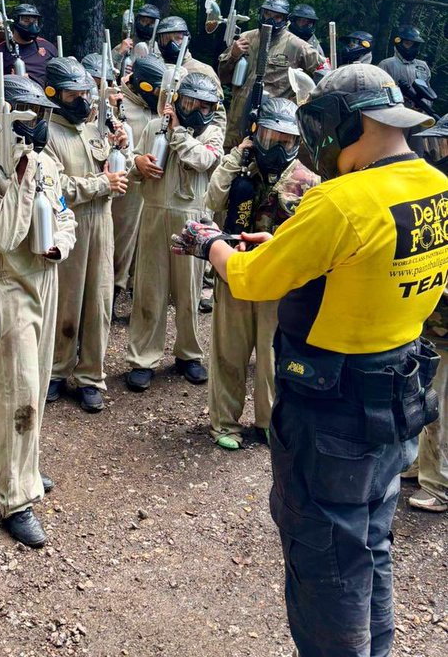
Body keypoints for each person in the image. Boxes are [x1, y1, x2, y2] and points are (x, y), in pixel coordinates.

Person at [174, 64, 446, 657]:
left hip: (333, 410)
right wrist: (285, 247)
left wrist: (208, 243)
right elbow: (363, 259)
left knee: (325, 559)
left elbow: (248, 281)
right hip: (398, 390)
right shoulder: (434, 184)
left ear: (348, 124)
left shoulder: (340, 200)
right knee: (369, 543)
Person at [0, 74, 76, 547]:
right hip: (6, 288)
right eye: (30, 121)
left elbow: (65, 214)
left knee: (34, 379)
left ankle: (18, 464)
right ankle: (16, 497)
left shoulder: (47, 165)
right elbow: (5, 236)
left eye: (42, 120)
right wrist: (21, 181)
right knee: (20, 389)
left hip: (43, 281)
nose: (38, 130)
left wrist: (59, 249)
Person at [204, 97, 318, 450]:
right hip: (235, 272)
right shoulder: (240, 168)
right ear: (255, 135)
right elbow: (213, 199)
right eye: (270, 138)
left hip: (277, 283)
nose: (278, 148)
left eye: (286, 141)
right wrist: (238, 155)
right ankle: (224, 421)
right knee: (229, 353)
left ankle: (268, 421)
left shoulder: (307, 181)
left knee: (271, 357)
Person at [126, 71, 224, 390]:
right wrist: (137, 164)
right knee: (149, 290)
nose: (198, 110)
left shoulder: (212, 134)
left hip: (193, 220)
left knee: (189, 290)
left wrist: (179, 132)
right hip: (154, 214)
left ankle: (189, 355)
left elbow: (203, 161)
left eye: (206, 106)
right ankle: (143, 358)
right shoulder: (156, 127)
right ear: (178, 100)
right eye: (191, 102)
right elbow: (134, 165)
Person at [43, 57, 129, 413]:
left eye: (85, 94)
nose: (82, 101)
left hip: (102, 227)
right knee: (67, 300)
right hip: (69, 228)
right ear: (54, 94)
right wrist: (99, 184)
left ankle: (92, 376)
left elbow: (118, 172)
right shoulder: (46, 134)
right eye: (73, 94)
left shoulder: (96, 129)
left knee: (99, 300)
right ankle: (57, 370)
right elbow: (53, 185)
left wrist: (123, 147)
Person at [405, 114, 448, 512]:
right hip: (431, 321)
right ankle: (421, 466)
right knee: (425, 395)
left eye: (442, 147)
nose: (437, 156)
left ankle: (439, 485)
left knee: (441, 403)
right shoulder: (440, 195)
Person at [219, 0, 319, 148]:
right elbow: (222, 77)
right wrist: (233, 55)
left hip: (272, 126)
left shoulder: (297, 46)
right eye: (267, 14)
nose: (270, 20)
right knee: (228, 165)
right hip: (236, 122)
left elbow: (323, 75)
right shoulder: (245, 38)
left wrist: (303, 102)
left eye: (277, 17)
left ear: (285, 19)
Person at [109, 53, 166, 318]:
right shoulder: (117, 105)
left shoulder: (161, 107)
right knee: (120, 242)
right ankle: (110, 297)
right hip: (125, 188)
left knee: (147, 246)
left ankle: (139, 299)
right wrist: (135, 161)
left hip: (153, 189)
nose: (159, 94)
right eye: (156, 89)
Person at [0, 3, 57, 87]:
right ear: (15, 21)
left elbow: (60, 77)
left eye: (35, 21)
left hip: (45, 98)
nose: (32, 25)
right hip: (10, 97)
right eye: (26, 21)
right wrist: (8, 81)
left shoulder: (48, 48)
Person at [379, 24, 436, 113]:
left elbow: (427, 90)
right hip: (395, 114)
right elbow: (380, 92)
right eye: (408, 43)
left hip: (420, 115)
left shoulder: (422, 66)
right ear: (399, 43)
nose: (411, 47)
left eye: (414, 44)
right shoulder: (387, 64)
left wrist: (422, 106)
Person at [113, 2, 161, 66]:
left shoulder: (158, 49)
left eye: (151, 22)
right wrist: (120, 53)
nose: (145, 25)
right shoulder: (125, 46)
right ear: (137, 21)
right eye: (143, 21)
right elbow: (106, 69)